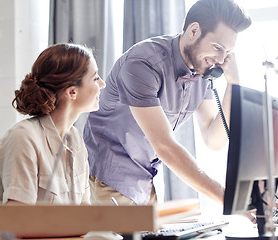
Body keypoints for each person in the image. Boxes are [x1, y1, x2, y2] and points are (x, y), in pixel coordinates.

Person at [83, 0, 252, 206]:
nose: (220, 58)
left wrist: (233, 84)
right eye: (217, 47)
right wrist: (228, 199)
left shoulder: (202, 71)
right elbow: (164, 146)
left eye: (227, 52)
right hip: (107, 181)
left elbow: (213, 139)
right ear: (194, 30)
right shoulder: (144, 63)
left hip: (145, 182)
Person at [0, 43, 106, 238]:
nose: (102, 84)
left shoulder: (76, 141)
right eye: (95, 78)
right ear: (72, 92)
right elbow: (19, 226)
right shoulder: (23, 137)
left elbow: (84, 212)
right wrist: (90, 225)